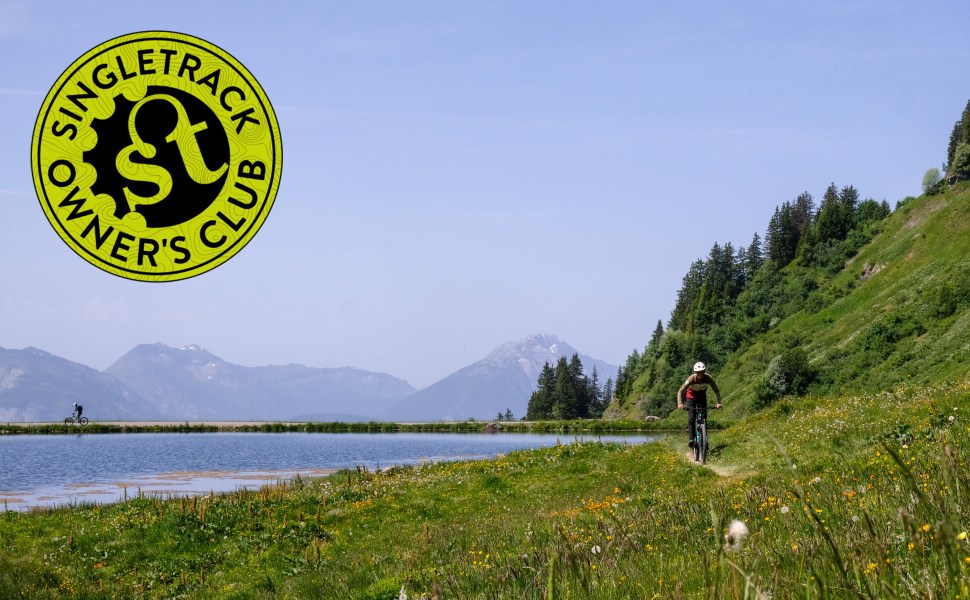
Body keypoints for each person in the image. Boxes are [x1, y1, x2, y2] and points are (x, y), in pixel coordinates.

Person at [677, 362, 722, 452]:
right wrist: (680, 403)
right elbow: (680, 391)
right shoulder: (691, 379)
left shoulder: (708, 378)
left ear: (704, 371)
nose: (700, 374)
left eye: (702, 372)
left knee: (704, 418)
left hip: (702, 398)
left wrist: (719, 403)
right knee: (691, 418)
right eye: (698, 372)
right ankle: (691, 439)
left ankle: (705, 441)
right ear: (695, 372)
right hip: (691, 398)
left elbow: (716, 390)